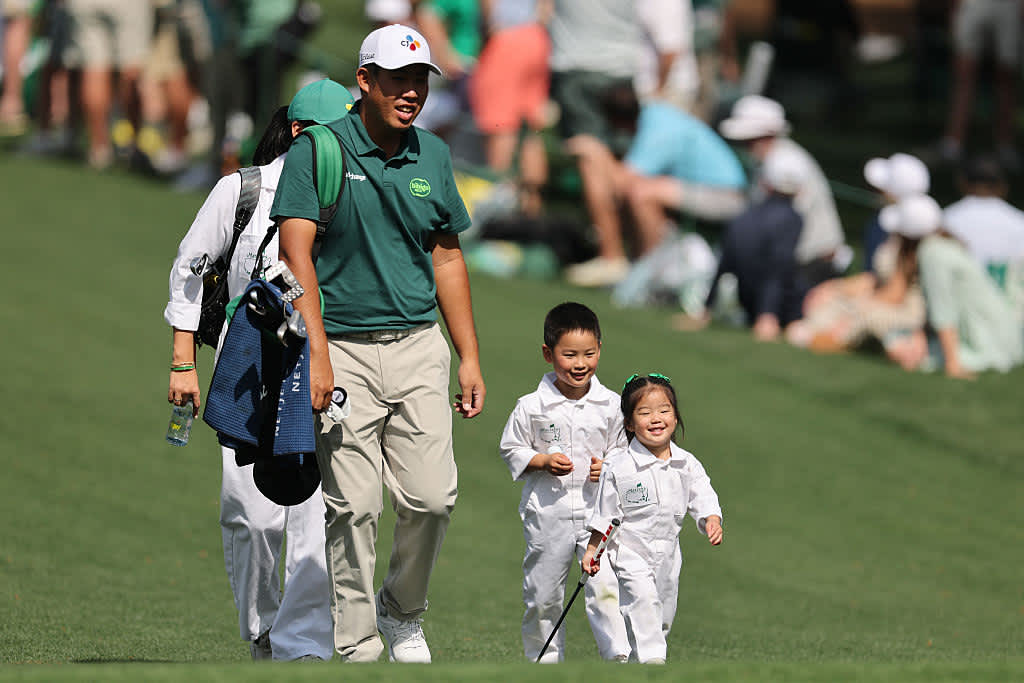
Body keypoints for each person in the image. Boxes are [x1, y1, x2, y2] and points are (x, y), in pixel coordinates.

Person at [271, 24, 486, 663]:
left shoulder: (435, 155)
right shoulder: (321, 152)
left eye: (420, 82)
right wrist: (317, 351)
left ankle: (402, 611)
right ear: (364, 82)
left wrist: (468, 354)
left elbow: (446, 258)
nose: (411, 93)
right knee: (356, 506)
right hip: (343, 349)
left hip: (420, 346)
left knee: (432, 497)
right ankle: (357, 643)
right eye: (398, 81)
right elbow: (295, 251)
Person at [165, 79, 354, 661]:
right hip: (245, 367)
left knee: (315, 512)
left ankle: (301, 646)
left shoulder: (351, 192)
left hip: (326, 366)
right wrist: (182, 362)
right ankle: (261, 631)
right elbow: (192, 267)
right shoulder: (242, 189)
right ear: (301, 134)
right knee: (249, 514)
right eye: (337, 134)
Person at [498, 302, 631, 663]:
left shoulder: (611, 405)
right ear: (548, 353)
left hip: (597, 514)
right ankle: (543, 662)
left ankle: (618, 658)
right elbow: (510, 447)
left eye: (589, 353)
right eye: (569, 354)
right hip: (548, 511)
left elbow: (626, 453)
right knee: (543, 595)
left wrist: (607, 466)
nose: (579, 363)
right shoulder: (531, 406)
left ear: (600, 350)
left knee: (605, 587)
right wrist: (540, 460)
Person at [582, 373, 722, 664]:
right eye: (645, 413)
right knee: (643, 604)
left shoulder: (686, 463)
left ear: (675, 415)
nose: (656, 418)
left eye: (664, 410)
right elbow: (606, 514)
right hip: (631, 552)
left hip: (669, 553)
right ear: (630, 423)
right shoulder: (618, 466)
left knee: (661, 618)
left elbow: (702, 494)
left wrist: (710, 518)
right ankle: (654, 666)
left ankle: (638, 667)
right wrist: (593, 551)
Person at [550, 0, 643, 287]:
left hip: (579, 68)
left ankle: (612, 255)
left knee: (590, 156)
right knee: (617, 162)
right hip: (624, 71)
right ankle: (634, 254)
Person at [881, 194, 1023, 378]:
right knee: (902, 341)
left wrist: (952, 363)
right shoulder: (944, 244)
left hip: (988, 343)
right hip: (1003, 337)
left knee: (896, 343)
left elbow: (943, 311)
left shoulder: (931, 253)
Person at [719, 95, 849, 289]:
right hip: (796, 261)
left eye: (751, 139)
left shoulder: (787, 164)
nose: (747, 146)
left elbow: (784, 227)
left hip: (811, 265)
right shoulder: (772, 161)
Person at [679, 145, 805, 341]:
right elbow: (778, 268)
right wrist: (767, 315)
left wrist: (705, 310)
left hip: (746, 302)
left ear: (766, 183)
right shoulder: (792, 219)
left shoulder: (744, 216)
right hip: (774, 310)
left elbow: (724, 265)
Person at [943, 158, 1024, 318]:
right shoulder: (1019, 222)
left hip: (960, 316)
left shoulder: (946, 220)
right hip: (1010, 316)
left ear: (962, 182)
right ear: (1003, 186)